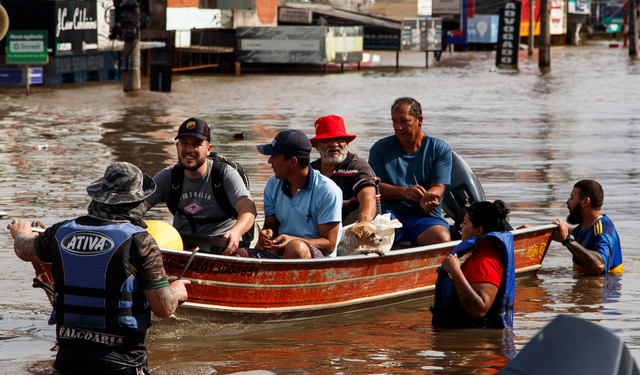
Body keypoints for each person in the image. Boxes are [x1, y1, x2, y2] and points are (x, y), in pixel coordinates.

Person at [7, 162, 190, 375]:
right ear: (137, 202)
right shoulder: (140, 241)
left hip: (67, 360)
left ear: (98, 196)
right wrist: (176, 292)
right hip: (122, 362)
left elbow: (23, 249)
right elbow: (164, 308)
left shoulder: (61, 232)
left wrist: (21, 232)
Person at [145, 117, 257, 255]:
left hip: (223, 249)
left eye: (196, 144)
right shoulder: (168, 176)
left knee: (241, 255)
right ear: (177, 147)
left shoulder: (224, 174)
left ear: (208, 149)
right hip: (181, 249)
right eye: (184, 143)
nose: (189, 150)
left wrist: (236, 231)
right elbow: (138, 206)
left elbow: (248, 208)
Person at [368, 97, 452, 246]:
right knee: (375, 239)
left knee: (442, 237)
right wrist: (404, 192)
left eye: (404, 121)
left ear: (419, 120)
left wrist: (428, 197)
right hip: (390, 215)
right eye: (394, 121)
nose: (398, 127)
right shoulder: (380, 149)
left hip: (425, 217)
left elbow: (439, 186)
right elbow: (375, 188)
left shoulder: (439, 149)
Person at [254, 129, 343, 259]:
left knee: (295, 248)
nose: (269, 161)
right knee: (237, 255)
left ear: (293, 162)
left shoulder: (327, 190)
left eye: (275, 156)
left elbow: (329, 245)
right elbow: (270, 226)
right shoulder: (273, 184)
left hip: (316, 259)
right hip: (280, 254)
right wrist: (267, 236)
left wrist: (291, 241)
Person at [431, 200, 515, 328]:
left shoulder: (486, 262)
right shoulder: (483, 253)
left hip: (476, 341)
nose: (460, 226)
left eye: (465, 223)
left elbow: (479, 310)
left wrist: (455, 271)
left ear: (479, 230)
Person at [309, 115, 380, 225]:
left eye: (339, 139)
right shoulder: (310, 172)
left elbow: (368, 197)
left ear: (347, 143)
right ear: (316, 145)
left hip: (355, 234)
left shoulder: (358, 168)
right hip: (322, 234)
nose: (334, 144)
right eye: (327, 139)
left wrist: (362, 227)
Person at [552, 180, 622, 276]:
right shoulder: (585, 227)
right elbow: (566, 234)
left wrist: (567, 241)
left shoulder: (603, 231)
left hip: (602, 289)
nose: (567, 202)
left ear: (585, 201)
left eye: (572, 198)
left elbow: (599, 265)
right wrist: (533, 231)